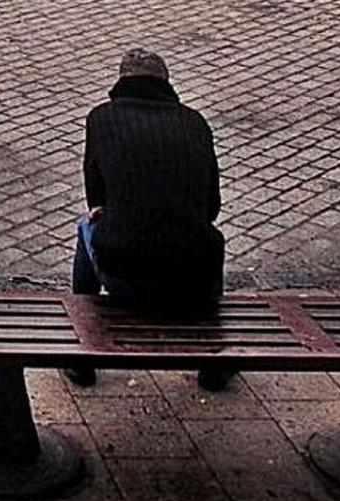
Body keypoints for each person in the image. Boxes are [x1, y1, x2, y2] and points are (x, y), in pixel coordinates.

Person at [66, 48, 233, 391]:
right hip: (195, 280)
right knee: (205, 237)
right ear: (166, 84)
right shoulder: (195, 123)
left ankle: (81, 356)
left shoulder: (102, 118)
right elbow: (211, 207)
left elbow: (95, 199)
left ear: (121, 81)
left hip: (124, 275)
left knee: (87, 226)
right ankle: (215, 363)